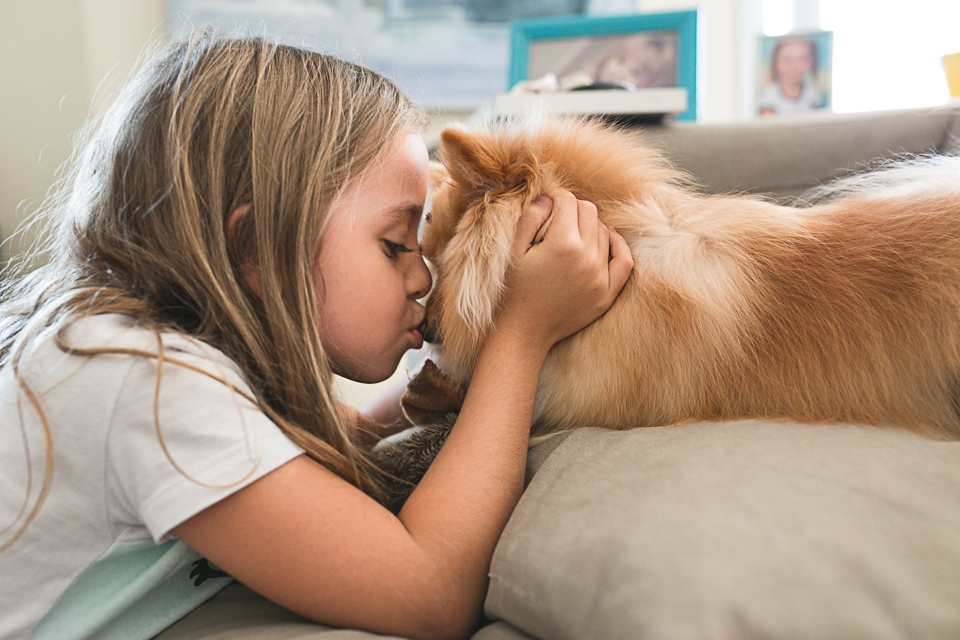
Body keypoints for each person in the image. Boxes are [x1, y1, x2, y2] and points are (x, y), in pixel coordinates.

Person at [0, 30, 633, 640]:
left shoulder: (160, 355)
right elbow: (429, 592)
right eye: (394, 247)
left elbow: (336, 440)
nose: (424, 280)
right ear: (257, 250)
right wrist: (518, 338)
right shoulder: (146, 381)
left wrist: (454, 375)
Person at [758, 36, 825, 117]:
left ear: (810, 63)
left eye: (802, 59)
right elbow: (766, 123)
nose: (794, 67)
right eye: (787, 60)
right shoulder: (770, 94)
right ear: (776, 64)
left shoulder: (812, 93)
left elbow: (817, 121)